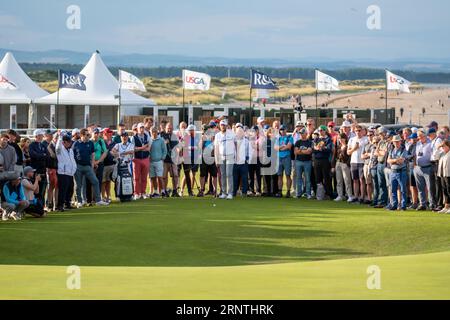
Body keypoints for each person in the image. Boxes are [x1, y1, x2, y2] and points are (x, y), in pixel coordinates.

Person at [72, 129, 109, 207]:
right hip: (78, 166)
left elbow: (92, 154)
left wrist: (92, 165)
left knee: (95, 181)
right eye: (86, 135)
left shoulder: (90, 143)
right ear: (82, 135)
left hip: (88, 166)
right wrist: (74, 166)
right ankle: (79, 201)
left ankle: (98, 200)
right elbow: (72, 155)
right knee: (78, 185)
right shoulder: (76, 144)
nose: (88, 136)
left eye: (88, 135)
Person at [55, 133, 77, 212]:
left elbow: (72, 160)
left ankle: (67, 204)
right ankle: (60, 205)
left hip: (70, 173)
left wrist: (74, 168)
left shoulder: (70, 150)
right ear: (64, 142)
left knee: (70, 189)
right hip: (63, 173)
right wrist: (60, 137)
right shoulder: (60, 149)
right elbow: (57, 147)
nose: (70, 143)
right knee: (63, 190)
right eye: (69, 142)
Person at [214, 120, 236, 200]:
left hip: (230, 156)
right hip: (221, 157)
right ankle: (223, 193)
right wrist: (216, 160)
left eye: (224, 125)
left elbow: (236, 145)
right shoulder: (217, 135)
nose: (222, 126)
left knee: (229, 174)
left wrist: (236, 156)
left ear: (227, 126)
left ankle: (230, 193)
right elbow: (216, 148)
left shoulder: (232, 134)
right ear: (220, 126)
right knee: (222, 175)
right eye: (221, 125)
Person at [347, 125, 369, 204]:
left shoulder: (366, 139)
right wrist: (354, 148)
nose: (358, 132)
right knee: (355, 180)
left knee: (361, 180)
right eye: (356, 131)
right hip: (353, 162)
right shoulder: (352, 139)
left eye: (359, 130)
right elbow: (348, 152)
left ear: (362, 131)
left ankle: (362, 196)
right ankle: (356, 196)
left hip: (362, 162)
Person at [414, 129, 434, 211]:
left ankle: (432, 204)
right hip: (418, 168)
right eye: (418, 136)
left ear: (425, 135)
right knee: (420, 188)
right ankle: (422, 204)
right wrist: (415, 165)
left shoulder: (430, 143)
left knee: (430, 188)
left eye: (420, 136)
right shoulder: (418, 143)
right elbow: (416, 155)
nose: (419, 137)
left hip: (428, 167)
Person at [387, 135, 408, 211]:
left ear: (400, 141)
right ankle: (394, 205)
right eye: (395, 142)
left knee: (403, 189)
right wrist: (395, 160)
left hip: (401, 171)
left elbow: (401, 161)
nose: (396, 143)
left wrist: (392, 160)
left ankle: (403, 205)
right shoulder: (392, 150)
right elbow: (388, 161)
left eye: (397, 141)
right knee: (393, 189)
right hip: (393, 172)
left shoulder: (403, 150)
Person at [312, 125, 333, 199]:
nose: (320, 132)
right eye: (319, 130)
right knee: (318, 178)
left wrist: (322, 148)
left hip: (325, 160)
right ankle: (319, 194)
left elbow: (329, 149)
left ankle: (328, 194)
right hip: (317, 160)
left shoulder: (328, 139)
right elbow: (313, 149)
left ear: (325, 131)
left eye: (321, 130)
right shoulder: (316, 139)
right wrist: (319, 148)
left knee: (326, 178)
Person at [29, 129, 48, 202]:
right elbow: (33, 155)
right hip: (36, 170)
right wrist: (42, 155)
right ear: (36, 136)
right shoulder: (32, 145)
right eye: (40, 135)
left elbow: (47, 155)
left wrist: (41, 155)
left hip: (43, 169)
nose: (42, 136)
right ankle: (35, 206)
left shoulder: (43, 145)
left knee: (43, 190)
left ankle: (41, 207)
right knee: (36, 189)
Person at [132, 123, 150, 199]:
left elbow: (148, 148)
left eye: (143, 128)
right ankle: (136, 193)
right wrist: (143, 147)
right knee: (136, 177)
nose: (142, 129)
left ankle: (143, 192)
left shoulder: (147, 136)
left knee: (144, 177)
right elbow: (133, 149)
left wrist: (140, 148)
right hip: (136, 159)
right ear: (137, 129)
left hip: (145, 158)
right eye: (140, 128)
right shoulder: (133, 137)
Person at [161, 123, 180, 197]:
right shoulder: (162, 136)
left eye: (171, 128)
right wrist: (165, 142)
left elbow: (177, 147)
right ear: (165, 128)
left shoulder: (175, 136)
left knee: (175, 175)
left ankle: (175, 190)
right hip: (165, 160)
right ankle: (164, 190)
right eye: (168, 128)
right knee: (164, 176)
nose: (169, 130)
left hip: (173, 159)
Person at [181, 125, 200, 197]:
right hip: (187, 158)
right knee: (187, 175)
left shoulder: (197, 138)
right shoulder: (185, 138)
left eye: (192, 130)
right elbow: (182, 147)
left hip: (195, 158)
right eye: (190, 130)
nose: (191, 131)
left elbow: (199, 147)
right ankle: (182, 190)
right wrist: (191, 147)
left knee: (193, 174)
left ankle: (190, 190)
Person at [274, 125, 293, 198]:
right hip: (279, 158)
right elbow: (275, 148)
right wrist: (282, 147)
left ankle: (288, 191)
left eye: (283, 129)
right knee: (279, 175)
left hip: (287, 157)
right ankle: (280, 191)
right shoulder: (278, 138)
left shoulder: (289, 137)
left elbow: (289, 146)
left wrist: (280, 148)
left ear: (286, 130)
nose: (282, 131)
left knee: (288, 175)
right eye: (281, 130)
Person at [333, 133, 353, 202]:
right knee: (339, 181)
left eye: (341, 138)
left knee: (347, 181)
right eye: (339, 138)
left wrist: (347, 164)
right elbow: (335, 155)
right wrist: (333, 165)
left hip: (345, 164)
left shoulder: (348, 146)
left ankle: (349, 195)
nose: (340, 140)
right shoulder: (338, 146)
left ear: (345, 139)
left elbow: (350, 156)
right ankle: (340, 195)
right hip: (338, 163)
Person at [294, 128, 313, 199]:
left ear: (306, 133)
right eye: (300, 133)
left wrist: (300, 151)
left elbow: (309, 152)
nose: (301, 134)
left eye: (302, 133)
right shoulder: (298, 142)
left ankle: (308, 193)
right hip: (298, 161)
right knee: (298, 178)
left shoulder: (309, 142)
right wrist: (304, 151)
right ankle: (298, 193)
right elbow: (296, 152)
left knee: (307, 178)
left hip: (307, 161)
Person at [199, 124, 217, 197]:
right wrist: (202, 140)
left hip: (212, 157)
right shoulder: (202, 138)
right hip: (204, 157)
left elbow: (215, 147)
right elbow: (200, 148)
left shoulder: (213, 137)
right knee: (202, 175)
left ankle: (215, 191)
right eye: (204, 130)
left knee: (214, 175)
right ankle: (201, 190)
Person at [148, 127, 167, 197]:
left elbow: (165, 151)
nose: (153, 133)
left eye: (155, 131)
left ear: (157, 132)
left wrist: (162, 158)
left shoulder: (161, 140)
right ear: (150, 132)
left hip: (159, 161)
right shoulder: (149, 140)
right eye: (152, 131)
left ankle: (163, 191)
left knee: (160, 177)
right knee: (152, 177)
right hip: (151, 161)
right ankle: (156, 192)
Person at [233, 125, 250, 197]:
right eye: (238, 132)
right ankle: (234, 192)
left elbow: (249, 151)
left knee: (244, 178)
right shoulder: (233, 140)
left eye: (241, 132)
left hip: (243, 162)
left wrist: (247, 160)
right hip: (235, 162)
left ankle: (244, 192)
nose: (239, 133)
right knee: (235, 178)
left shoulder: (246, 141)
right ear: (236, 133)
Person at [101, 128, 116, 203]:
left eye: (110, 133)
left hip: (111, 164)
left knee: (108, 181)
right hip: (103, 165)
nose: (110, 135)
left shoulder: (114, 143)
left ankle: (108, 197)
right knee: (103, 182)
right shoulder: (102, 142)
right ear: (104, 134)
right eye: (108, 133)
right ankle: (102, 197)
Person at [248, 126, 263, 196]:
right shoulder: (250, 138)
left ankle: (258, 191)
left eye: (255, 130)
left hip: (258, 158)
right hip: (251, 158)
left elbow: (260, 147)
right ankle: (251, 190)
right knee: (250, 175)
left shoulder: (261, 138)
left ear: (257, 131)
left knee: (258, 175)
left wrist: (253, 145)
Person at [437, 140, 450, 214]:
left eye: (444, 146)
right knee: (444, 191)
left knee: (449, 190)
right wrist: (438, 148)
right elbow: (434, 156)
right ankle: (446, 206)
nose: (443, 148)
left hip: (448, 174)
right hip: (442, 174)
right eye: (442, 146)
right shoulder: (441, 153)